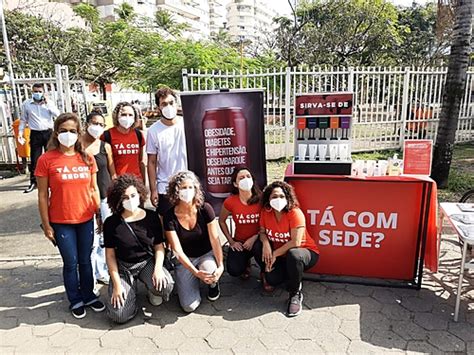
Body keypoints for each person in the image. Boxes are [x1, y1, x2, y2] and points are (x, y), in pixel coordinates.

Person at [35, 112, 105, 319]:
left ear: (78, 133)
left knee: (85, 260)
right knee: (71, 262)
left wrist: (98, 214)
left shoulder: (87, 158)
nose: (68, 135)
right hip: (61, 221)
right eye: (64, 131)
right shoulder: (46, 160)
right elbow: (41, 196)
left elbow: (94, 189)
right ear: (56, 133)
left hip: (85, 219)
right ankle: (75, 299)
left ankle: (89, 295)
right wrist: (47, 226)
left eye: (72, 131)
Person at [103, 174, 174, 324]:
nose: (130, 200)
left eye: (133, 195)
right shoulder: (111, 223)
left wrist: (158, 269)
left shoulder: (151, 217)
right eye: (125, 197)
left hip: (146, 263)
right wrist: (116, 284)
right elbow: (110, 256)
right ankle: (130, 294)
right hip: (123, 266)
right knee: (119, 315)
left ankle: (151, 290)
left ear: (140, 194)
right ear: (118, 200)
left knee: (165, 285)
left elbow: (159, 247)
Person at [257, 181, 320, 317]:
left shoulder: (294, 213)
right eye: (274, 197)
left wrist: (274, 254)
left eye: (281, 196)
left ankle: (295, 293)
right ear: (268, 199)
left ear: (287, 198)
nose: (278, 200)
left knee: (294, 255)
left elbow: (296, 242)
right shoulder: (265, 212)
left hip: (304, 252)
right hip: (281, 256)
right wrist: (266, 243)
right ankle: (274, 273)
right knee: (272, 277)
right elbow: (262, 232)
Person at [163, 171, 223, 313]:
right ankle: (189, 280)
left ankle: (213, 285)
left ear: (196, 190)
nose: (187, 191)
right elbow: (177, 250)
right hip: (185, 259)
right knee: (189, 306)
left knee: (211, 271)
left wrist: (220, 265)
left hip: (205, 254)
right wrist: (195, 272)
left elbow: (215, 239)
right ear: (176, 191)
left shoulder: (205, 209)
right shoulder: (169, 217)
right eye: (183, 188)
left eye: (191, 187)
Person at [82, 111, 116, 285]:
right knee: (91, 240)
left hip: (105, 198)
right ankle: (89, 276)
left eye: (101, 125)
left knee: (104, 237)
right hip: (84, 201)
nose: (97, 127)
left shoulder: (105, 146)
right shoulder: (77, 146)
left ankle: (102, 271)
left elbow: (113, 173)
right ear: (87, 123)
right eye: (94, 123)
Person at [218, 167, 267, 284]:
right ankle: (246, 264)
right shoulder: (230, 202)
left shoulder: (262, 199)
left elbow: (268, 224)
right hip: (240, 242)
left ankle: (265, 271)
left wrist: (254, 237)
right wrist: (231, 241)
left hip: (260, 240)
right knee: (234, 270)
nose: (246, 179)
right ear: (235, 184)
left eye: (248, 176)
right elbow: (221, 221)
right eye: (241, 178)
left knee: (258, 248)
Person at [147, 87, 187, 217]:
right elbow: (151, 162)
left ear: (176, 104)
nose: (168, 107)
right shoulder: (153, 130)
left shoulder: (187, 124)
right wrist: (153, 190)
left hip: (188, 184)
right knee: (167, 226)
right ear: (158, 107)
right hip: (165, 186)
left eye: (171, 103)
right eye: (164, 104)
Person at [19, 83, 60, 193]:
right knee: (35, 159)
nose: (37, 93)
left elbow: (58, 114)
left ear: (43, 92)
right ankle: (33, 182)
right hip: (35, 133)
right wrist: (20, 133)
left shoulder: (49, 103)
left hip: (48, 133)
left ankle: (52, 181)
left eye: (39, 91)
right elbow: (23, 119)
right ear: (32, 92)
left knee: (51, 157)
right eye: (35, 91)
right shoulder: (27, 104)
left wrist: (47, 104)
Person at [102, 102, 146, 182]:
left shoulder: (138, 135)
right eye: (123, 114)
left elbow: (141, 161)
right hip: (117, 183)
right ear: (116, 116)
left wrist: (143, 183)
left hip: (136, 181)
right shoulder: (107, 135)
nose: (127, 117)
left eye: (130, 115)